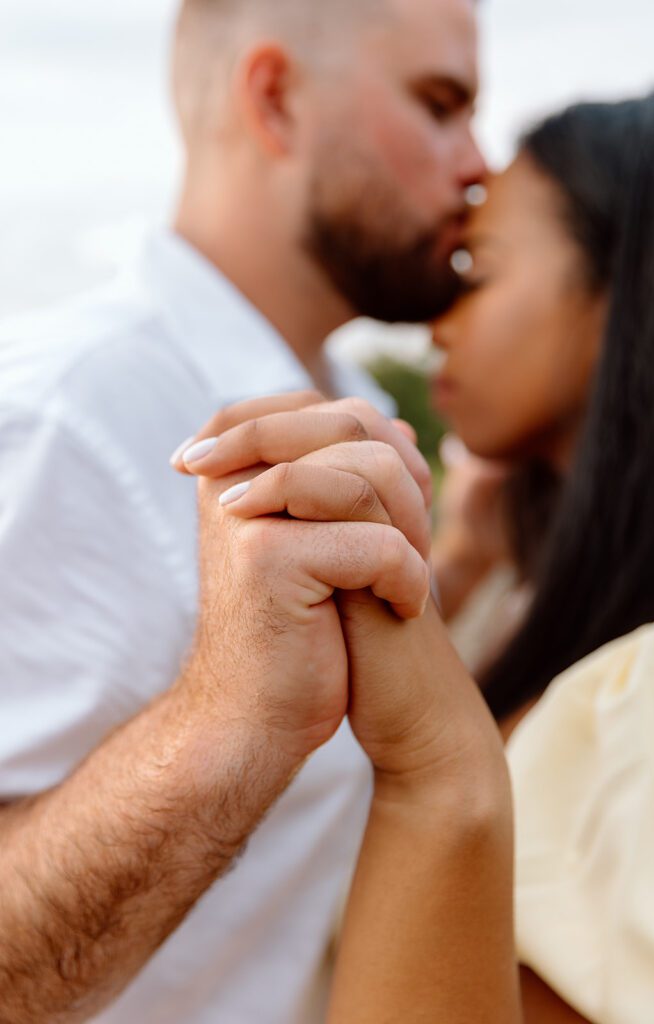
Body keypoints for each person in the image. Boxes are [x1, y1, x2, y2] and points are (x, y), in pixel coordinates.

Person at [0, 0, 484, 1020]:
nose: (475, 160)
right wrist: (224, 724)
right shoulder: (57, 424)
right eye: (438, 104)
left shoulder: (352, 394)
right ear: (273, 98)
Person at [182, 90, 654, 1022]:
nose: (435, 323)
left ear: (633, 285)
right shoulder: (522, 584)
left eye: (476, 270)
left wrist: (434, 772)